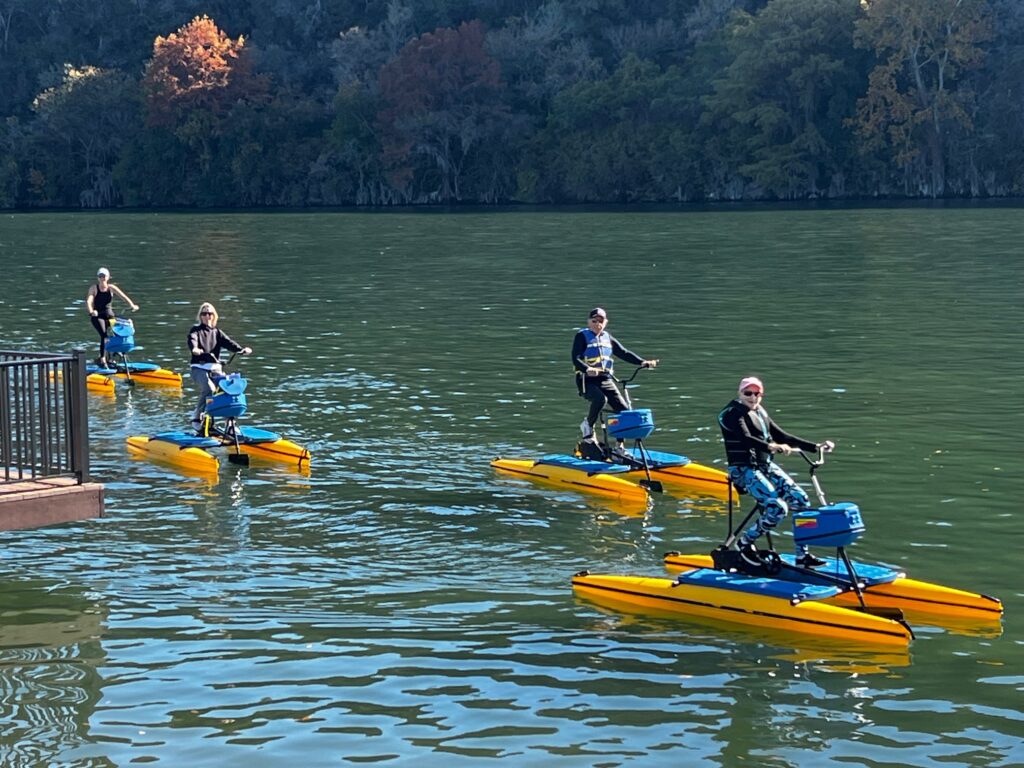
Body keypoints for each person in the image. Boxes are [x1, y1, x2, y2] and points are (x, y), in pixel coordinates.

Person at [718, 376, 835, 568]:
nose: (753, 397)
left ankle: (802, 557)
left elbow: (782, 436)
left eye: (757, 394)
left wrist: (815, 447)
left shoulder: (760, 412)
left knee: (801, 500)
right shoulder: (732, 413)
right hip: (742, 469)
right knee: (777, 507)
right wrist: (772, 447)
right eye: (748, 393)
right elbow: (746, 438)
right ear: (740, 393)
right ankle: (745, 544)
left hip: (765, 466)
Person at [571, 307, 658, 447]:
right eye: (594, 320)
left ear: (605, 322)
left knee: (623, 411)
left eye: (601, 321)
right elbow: (575, 358)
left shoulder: (607, 337)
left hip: (605, 379)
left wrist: (643, 362)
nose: (597, 324)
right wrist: (588, 369)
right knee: (600, 399)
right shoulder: (581, 336)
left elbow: (623, 353)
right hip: (586, 380)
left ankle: (619, 447)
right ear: (589, 322)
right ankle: (588, 425)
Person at [187, 302, 251, 433]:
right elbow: (192, 339)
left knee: (227, 391)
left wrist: (241, 349)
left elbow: (229, 343)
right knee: (209, 389)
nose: (207, 316)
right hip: (199, 367)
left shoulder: (217, 333)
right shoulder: (196, 330)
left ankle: (231, 424)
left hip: (215, 368)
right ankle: (196, 417)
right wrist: (195, 349)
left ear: (214, 316)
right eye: (204, 313)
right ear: (201, 316)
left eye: (209, 313)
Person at [85, 267, 138, 367]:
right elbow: (89, 301)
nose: (102, 278)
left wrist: (132, 305)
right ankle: (102, 359)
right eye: (100, 276)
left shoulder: (112, 288)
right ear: (98, 278)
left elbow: (124, 297)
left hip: (110, 317)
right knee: (104, 335)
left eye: (104, 276)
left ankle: (115, 352)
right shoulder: (94, 288)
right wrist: (92, 311)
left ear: (108, 277)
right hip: (97, 317)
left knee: (124, 326)